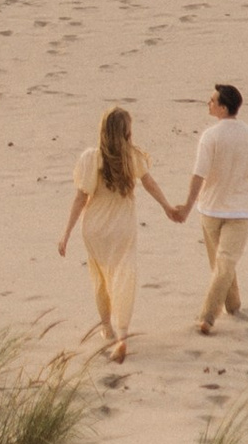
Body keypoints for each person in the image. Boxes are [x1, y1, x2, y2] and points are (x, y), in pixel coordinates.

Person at [56, 102, 176, 363]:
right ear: (126, 132)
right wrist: (167, 206)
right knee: (123, 277)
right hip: (122, 229)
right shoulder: (133, 157)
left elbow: (79, 198)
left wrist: (66, 234)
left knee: (100, 278)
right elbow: (149, 184)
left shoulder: (90, 158)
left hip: (94, 228)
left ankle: (106, 327)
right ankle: (122, 335)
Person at [173, 82, 248, 334]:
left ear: (223, 107)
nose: (208, 104)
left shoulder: (211, 136)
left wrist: (188, 206)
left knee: (223, 264)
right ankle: (233, 305)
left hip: (224, 209)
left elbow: (198, 175)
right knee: (223, 264)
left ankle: (207, 316)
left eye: (212, 101)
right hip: (223, 209)